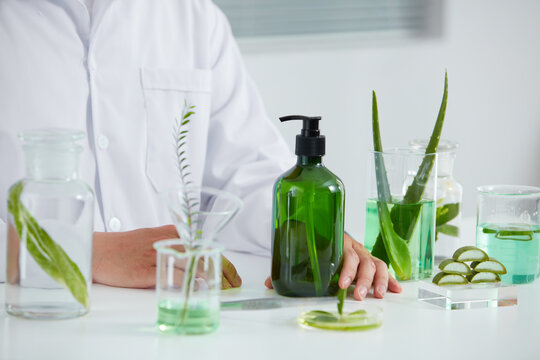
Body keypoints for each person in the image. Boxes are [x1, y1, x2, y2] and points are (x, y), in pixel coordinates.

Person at [0, 0, 401, 300]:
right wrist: (91, 253)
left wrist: (311, 236)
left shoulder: (192, 16)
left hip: (175, 320)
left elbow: (247, 171)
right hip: (33, 318)